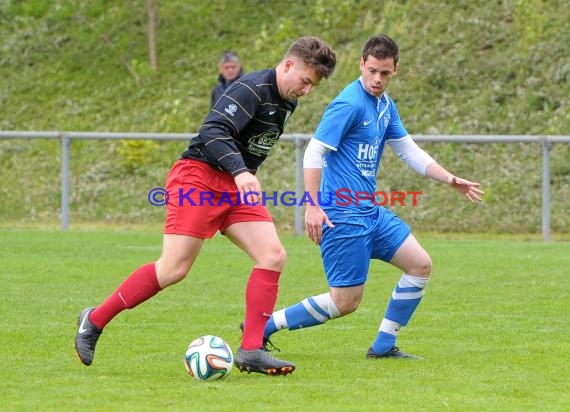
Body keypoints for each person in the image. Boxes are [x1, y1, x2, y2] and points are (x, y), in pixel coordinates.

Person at [75, 36, 337, 376]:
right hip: (197, 178)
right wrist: (241, 171)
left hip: (232, 186)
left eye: (313, 86)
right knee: (173, 269)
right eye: (305, 81)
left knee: (273, 255)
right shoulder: (252, 88)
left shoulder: (287, 101)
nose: (307, 91)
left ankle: (252, 350)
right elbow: (213, 130)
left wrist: (240, 176)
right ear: (288, 65)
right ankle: (93, 320)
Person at [259, 34, 484, 359]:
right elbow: (314, 151)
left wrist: (449, 178)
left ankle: (383, 346)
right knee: (345, 302)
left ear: (395, 71)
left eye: (385, 73)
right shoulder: (348, 104)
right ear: (362, 64)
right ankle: (264, 327)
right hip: (342, 215)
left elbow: (408, 150)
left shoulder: (384, 105)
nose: (377, 79)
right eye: (373, 71)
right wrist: (312, 206)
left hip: (370, 212)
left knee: (420, 264)